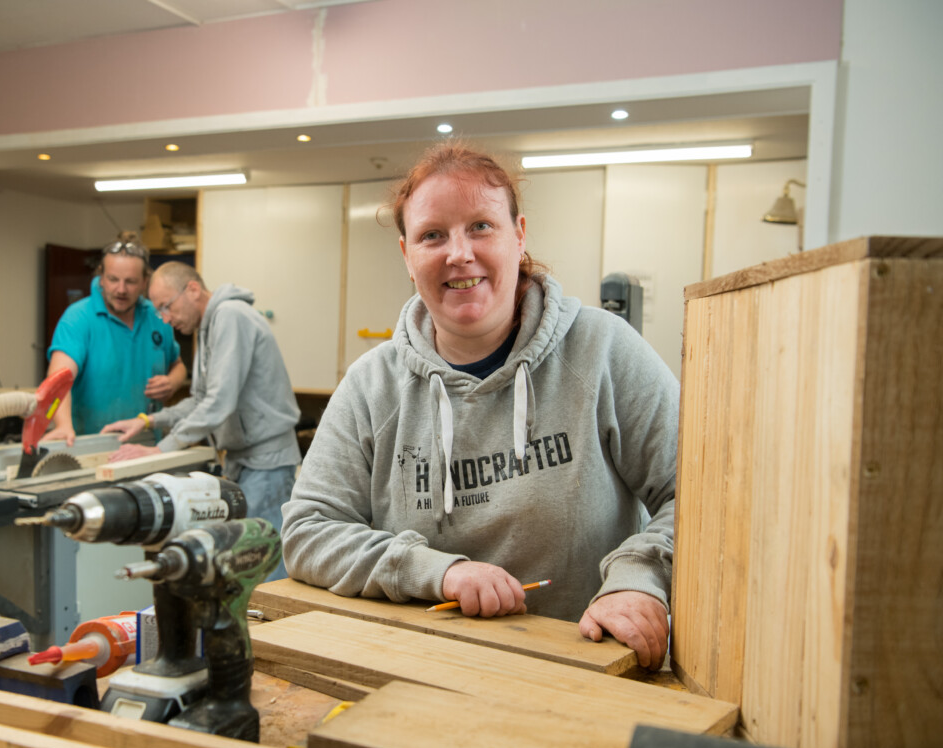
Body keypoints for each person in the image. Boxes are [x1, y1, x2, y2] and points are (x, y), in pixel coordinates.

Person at [280, 143, 679, 668]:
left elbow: (699, 498)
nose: (458, 253)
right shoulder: (371, 385)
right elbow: (309, 530)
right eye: (432, 235)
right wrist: (437, 572)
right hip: (419, 669)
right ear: (407, 255)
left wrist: (637, 579)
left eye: (481, 227)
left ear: (519, 235)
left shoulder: (604, 350)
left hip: (585, 667)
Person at [102, 262, 302, 579]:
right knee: (243, 562)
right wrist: (149, 421)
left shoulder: (231, 316)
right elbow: (200, 400)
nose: (166, 319)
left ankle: (271, 629)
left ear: (193, 289)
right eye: (159, 312)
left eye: (167, 306)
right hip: (242, 460)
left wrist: (161, 450)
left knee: (261, 566)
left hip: (266, 464)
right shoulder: (208, 328)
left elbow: (219, 402)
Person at [42, 235, 186, 446]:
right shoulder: (78, 318)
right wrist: (63, 425)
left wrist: (172, 382)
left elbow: (178, 364)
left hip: (145, 445)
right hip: (90, 445)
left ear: (145, 282)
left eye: (130, 281)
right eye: (113, 279)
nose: (121, 289)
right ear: (101, 277)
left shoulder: (157, 317)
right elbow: (58, 379)